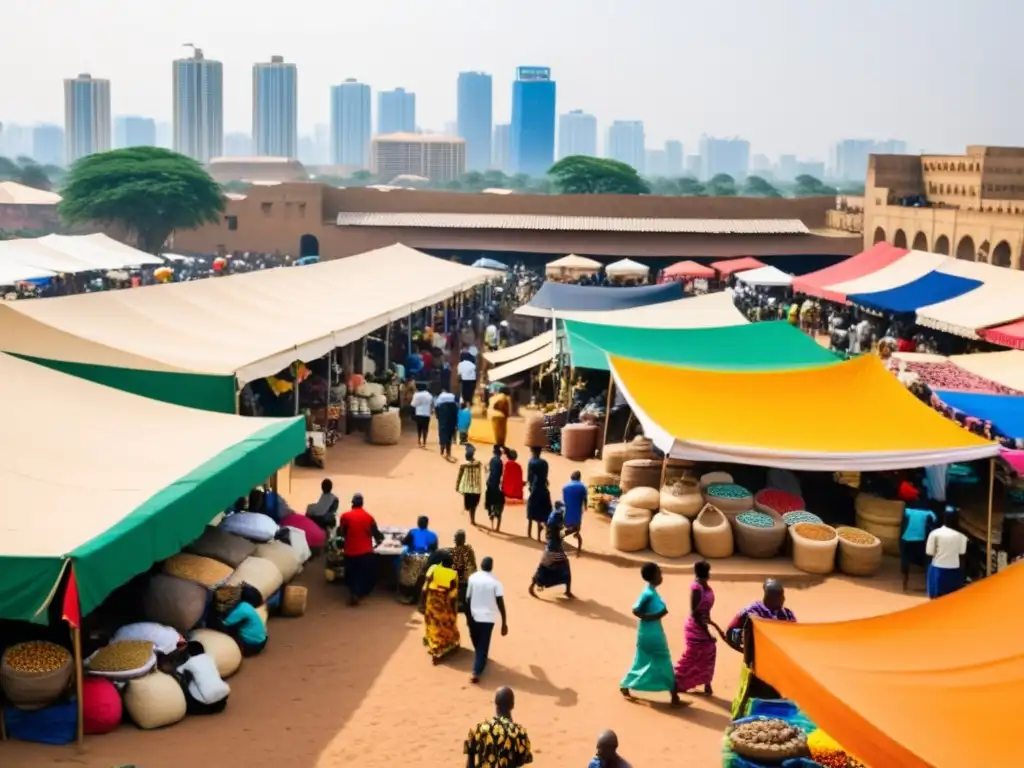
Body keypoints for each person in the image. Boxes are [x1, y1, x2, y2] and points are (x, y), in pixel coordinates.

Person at [724, 579, 797, 718]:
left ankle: (770, 719)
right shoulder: (751, 612)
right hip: (755, 664)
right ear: (770, 597)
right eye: (781, 596)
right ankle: (744, 719)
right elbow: (731, 631)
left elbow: (795, 636)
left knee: (774, 693)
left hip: (776, 665)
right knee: (750, 692)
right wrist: (743, 649)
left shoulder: (787, 615)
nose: (784, 599)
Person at [620, 562, 682, 706]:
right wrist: (654, 616)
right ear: (653, 576)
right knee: (663, 659)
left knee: (642, 660)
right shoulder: (647, 593)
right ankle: (674, 695)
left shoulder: (650, 591)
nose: (661, 576)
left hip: (650, 631)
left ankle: (626, 684)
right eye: (659, 573)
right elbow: (635, 610)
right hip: (651, 633)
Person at [673, 560, 722, 696]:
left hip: (703, 624)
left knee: (709, 653)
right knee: (693, 655)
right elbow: (695, 613)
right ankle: (677, 679)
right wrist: (707, 633)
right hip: (695, 628)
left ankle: (707, 682)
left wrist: (710, 623)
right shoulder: (696, 588)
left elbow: (705, 611)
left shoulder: (705, 586)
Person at [464, 687, 533, 767]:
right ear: (512, 705)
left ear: (496, 703)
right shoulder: (519, 732)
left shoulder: (479, 729)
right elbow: (522, 760)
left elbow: (469, 764)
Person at [465, 556, 508, 683]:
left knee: (478, 641)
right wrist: (504, 622)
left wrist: (468, 617)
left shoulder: (472, 578)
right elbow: (501, 603)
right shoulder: (496, 582)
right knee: (482, 644)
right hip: (488, 619)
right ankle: (480, 661)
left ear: (481, 565)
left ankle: (476, 671)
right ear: (491, 567)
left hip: (473, 616)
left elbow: (468, 599)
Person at [339, 493, 385, 606]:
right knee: (365, 574)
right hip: (365, 553)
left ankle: (354, 593)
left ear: (352, 504)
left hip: (350, 552)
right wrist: (380, 539)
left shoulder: (345, 517)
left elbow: (342, 533)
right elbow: (377, 535)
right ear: (362, 504)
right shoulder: (369, 517)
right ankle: (358, 594)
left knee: (352, 574)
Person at [422, 550, 461, 664]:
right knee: (446, 627)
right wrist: (454, 610)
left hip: (431, 605)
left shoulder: (433, 569)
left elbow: (425, 588)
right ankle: (439, 650)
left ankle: (432, 645)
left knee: (432, 625)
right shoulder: (453, 574)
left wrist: (423, 603)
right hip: (445, 607)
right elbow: (453, 595)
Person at [172, 641, 231, 715]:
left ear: (188, 654)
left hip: (207, 700)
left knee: (183, 680)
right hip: (225, 693)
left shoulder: (189, 663)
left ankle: (207, 708)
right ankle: (217, 705)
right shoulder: (209, 657)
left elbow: (177, 671)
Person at [529, 506, 574, 599]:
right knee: (566, 569)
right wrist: (571, 530)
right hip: (556, 552)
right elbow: (562, 535)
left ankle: (532, 585)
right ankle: (568, 591)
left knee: (542, 568)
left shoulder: (550, 527)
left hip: (548, 551)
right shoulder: (556, 530)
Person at [213, 585, 267, 657]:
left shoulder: (242, 609)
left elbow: (224, 624)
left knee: (221, 627)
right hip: (261, 640)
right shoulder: (246, 606)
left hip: (252, 644)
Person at [925, 508, 968, 599]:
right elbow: (962, 557)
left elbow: (929, 553)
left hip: (937, 569)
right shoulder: (962, 537)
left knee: (935, 599)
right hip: (954, 571)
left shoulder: (935, 533)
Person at [397, 516, 440, 604]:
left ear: (418, 523)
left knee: (403, 568)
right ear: (427, 524)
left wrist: (400, 539)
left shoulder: (413, 532)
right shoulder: (433, 535)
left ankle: (406, 594)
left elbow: (404, 542)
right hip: (427, 559)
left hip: (414, 558)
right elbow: (435, 549)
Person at [900, 505, 938, 591]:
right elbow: (934, 524)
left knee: (905, 560)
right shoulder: (930, 513)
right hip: (920, 539)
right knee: (926, 561)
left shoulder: (907, 510)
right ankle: (928, 584)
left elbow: (902, 521)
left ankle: (905, 583)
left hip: (906, 538)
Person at [526, 446, 552, 541]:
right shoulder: (545, 463)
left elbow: (529, 477)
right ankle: (539, 536)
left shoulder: (531, 462)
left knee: (531, 510)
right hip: (543, 489)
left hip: (535, 488)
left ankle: (529, 534)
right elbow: (545, 478)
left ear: (533, 452)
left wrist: (530, 487)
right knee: (542, 511)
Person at [561, 470, 588, 556]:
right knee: (576, 530)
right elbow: (584, 499)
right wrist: (585, 506)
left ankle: (561, 540)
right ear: (579, 478)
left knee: (566, 528)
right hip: (577, 513)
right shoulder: (582, 487)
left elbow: (564, 500)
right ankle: (578, 550)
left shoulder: (565, 487)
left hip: (567, 512)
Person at [456, 444, 484, 526]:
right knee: (473, 505)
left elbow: (459, 476)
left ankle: (472, 518)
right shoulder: (477, 463)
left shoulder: (463, 465)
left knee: (469, 505)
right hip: (476, 489)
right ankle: (472, 519)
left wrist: (457, 486)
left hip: (467, 489)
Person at [451, 529, 478, 610]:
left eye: (456, 538)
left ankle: (460, 601)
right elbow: (473, 564)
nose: (455, 540)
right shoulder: (469, 549)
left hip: (463, 576)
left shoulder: (456, 550)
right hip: (469, 575)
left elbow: (457, 566)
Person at [435, 385, 459, 460]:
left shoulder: (440, 401)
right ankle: (448, 452)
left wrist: (438, 417)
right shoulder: (454, 404)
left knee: (442, 434)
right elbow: (456, 413)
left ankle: (442, 450)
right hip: (451, 422)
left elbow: (436, 409)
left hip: (443, 421)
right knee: (449, 437)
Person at [501, 448, 525, 518]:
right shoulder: (519, 466)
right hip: (517, 494)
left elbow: (504, 478)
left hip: (506, 492)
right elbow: (519, 481)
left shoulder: (506, 465)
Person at [486, 445, 505, 526]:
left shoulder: (492, 460)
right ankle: (497, 524)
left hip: (490, 484)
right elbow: (500, 474)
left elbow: (490, 471)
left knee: (489, 502)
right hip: (496, 485)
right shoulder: (500, 462)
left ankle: (491, 513)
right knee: (497, 503)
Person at [411, 382, 433, 448]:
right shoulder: (429, 395)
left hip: (419, 413)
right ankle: (424, 442)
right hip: (426, 414)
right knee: (425, 429)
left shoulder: (416, 395)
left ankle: (419, 441)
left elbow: (413, 404)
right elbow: (431, 404)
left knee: (419, 428)